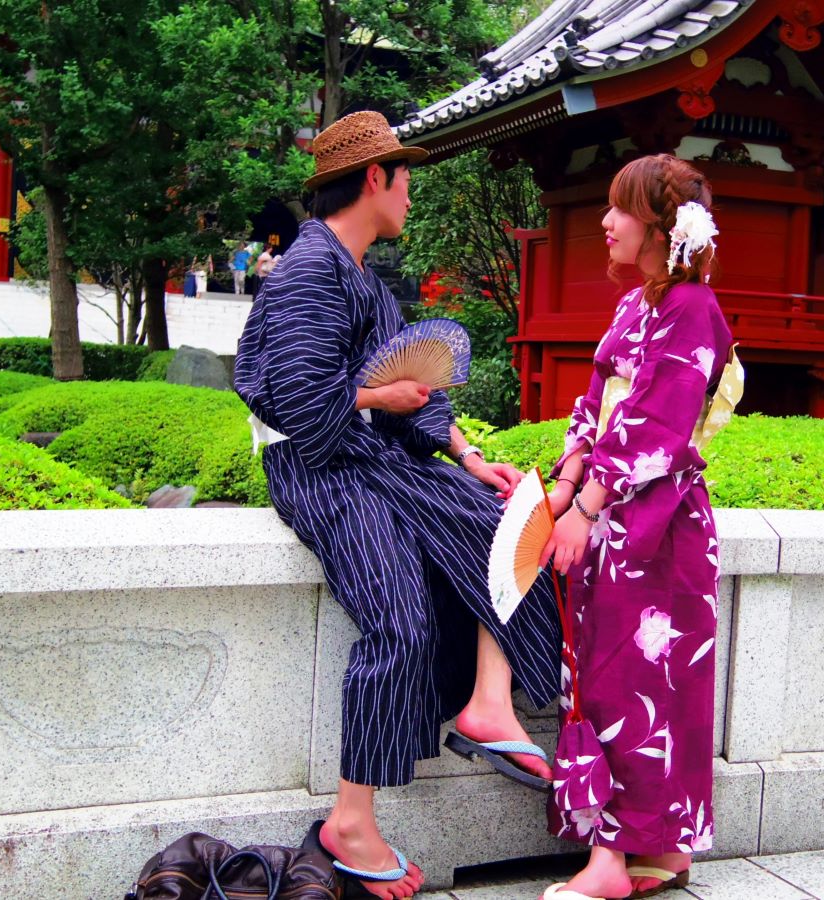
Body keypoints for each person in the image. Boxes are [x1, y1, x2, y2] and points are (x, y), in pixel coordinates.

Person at [234, 110, 561, 900]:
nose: (412, 193)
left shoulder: (367, 283)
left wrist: (471, 456)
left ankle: (489, 702)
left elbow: (413, 403)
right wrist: (382, 393)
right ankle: (352, 818)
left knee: (511, 519)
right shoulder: (310, 272)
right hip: (317, 467)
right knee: (400, 618)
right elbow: (309, 412)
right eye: (406, 178)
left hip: (370, 456)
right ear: (375, 179)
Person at [539, 154, 736, 900]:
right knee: (616, 673)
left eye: (619, 210)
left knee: (637, 680)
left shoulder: (692, 309)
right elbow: (594, 406)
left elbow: (659, 424)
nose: (605, 222)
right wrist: (562, 490)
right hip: (614, 516)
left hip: (658, 524)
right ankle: (661, 851)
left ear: (658, 226)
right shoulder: (635, 308)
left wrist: (587, 506)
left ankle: (614, 860)